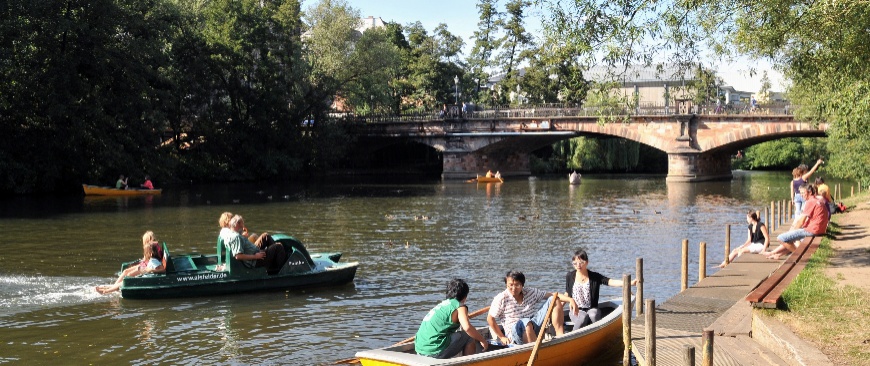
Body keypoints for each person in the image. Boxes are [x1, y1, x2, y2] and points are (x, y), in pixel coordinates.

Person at [487, 270, 574, 345]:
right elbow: (490, 319)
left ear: (522, 285)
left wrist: (570, 300)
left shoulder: (530, 292)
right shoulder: (501, 298)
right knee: (525, 322)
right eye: (510, 285)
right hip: (515, 333)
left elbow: (553, 295)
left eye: (517, 285)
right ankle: (532, 349)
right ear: (506, 284)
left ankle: (560, 337)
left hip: (533, 324)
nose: (513, 288)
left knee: (554, 299)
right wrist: (502, 337)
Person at [414, 279, 488, 358]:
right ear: (465, 296)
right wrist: (482, 340)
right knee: (469, 336)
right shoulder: (460, 306)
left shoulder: (442, 305)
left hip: (419, 350)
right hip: (434, 351)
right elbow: (467, 328)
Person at [563, 249, 636, 328]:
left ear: (587, 262)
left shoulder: (594, 276)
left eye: (581, 262)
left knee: (593, 315)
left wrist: (629, 283)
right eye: (575, 263)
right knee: (583, 317)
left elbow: (610, 281)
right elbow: (567, 293)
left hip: (592, 308)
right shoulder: (570, 276)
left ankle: (595, 335)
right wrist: (559, 306)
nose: (578, 265)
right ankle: (574, 338)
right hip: (576, 310)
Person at [762, 184, 829, 260]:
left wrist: (793, 231)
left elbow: (801, 221)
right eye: (801, 193)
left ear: (810, 192)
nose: (801, 195)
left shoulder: (810, 202)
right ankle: (777, 254)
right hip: (819, 229)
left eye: (803, 193)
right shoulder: (817, 200)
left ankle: (799, 255)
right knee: (790, 238)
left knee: (780, 238)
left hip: (813, 230)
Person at [96, 231, 165, 294]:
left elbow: (153, 261)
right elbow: (146, 259)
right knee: (126, 271)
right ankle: (113, 287)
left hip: (146, 267)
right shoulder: (150, 247)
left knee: (128, 276)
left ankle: (110, 290)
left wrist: (147, 268)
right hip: (145, 265)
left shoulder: (152, 247)